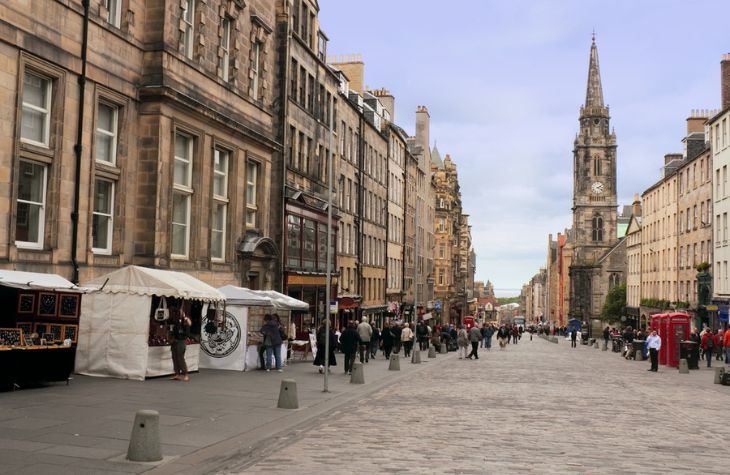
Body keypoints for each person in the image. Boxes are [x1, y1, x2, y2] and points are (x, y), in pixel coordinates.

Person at [169, 306, 192, 381]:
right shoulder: (174, 321)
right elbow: (171, 330)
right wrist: (171, 338)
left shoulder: (185, 321)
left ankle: (185, 374)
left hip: (181, 341)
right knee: (174, 358)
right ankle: (177, 374)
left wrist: (185, 321)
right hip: (174, 341)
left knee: (180, 358)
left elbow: (187, 331)